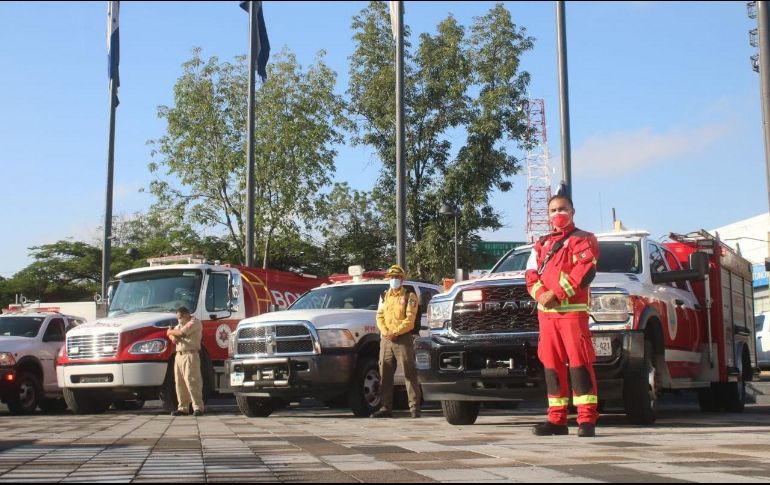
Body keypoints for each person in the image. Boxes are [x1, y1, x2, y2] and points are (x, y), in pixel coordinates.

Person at [525, 192, 600, 437]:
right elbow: (530, 276)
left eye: (563, 209)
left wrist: (555, 293)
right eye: (553, 210)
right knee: (551, 366)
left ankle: (586, 420)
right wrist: (540, 295)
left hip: (572, 315)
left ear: (573, 211)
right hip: (546, 317)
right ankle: (556, 420)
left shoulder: (584, 239)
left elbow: (584, 271)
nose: (558, 214)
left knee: (580, 365)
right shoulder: (541, 244)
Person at [371, 264, 422, 418]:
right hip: (386, 339)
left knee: (409, 373)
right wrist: (386, 331)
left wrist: (396, 332)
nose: (394, 279)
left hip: (403, 338)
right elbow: (379, 315)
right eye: (392, 277)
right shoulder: (384, 295)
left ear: (402, 279)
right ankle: (385, 407)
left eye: (397, 277)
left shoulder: (409, 296)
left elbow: (410, 320)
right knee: (385, 374)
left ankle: (414, 408)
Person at [166, 307, 204, 417]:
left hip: (190, 354)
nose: (179, 320)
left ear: (187, 315)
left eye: (181, 317)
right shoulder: (179, 326)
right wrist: (172, 334)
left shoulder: (194, 322)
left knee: (192, 381)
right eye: (178, 318)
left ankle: (198, 407)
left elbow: (182, 333)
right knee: (179, 383)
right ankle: (183, 408)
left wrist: (169, 331)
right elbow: (174, 339)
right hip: (179, 355)